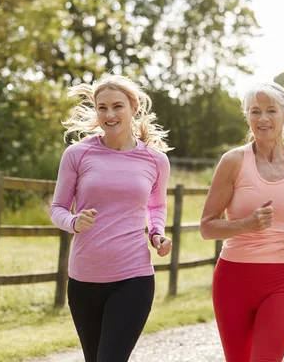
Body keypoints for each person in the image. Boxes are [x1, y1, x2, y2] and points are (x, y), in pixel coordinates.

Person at [199, 82, 284, 362]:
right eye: (255, 111)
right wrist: (245, 225)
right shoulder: (232, 162)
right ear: (247, 116)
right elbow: (207, 227)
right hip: (233, 280)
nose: (263, 118)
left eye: (271, 110)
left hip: (283, 280)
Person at [50, 74, 172, 362]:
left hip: (133, 277)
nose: (109, 114)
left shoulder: (156, 160)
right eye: (102, 107)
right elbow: (57, 208)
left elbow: (156, 207)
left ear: (133, 107)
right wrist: (73, 222)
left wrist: (156, 234)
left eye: (117, 106)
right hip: (84, 278)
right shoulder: (77, 154)